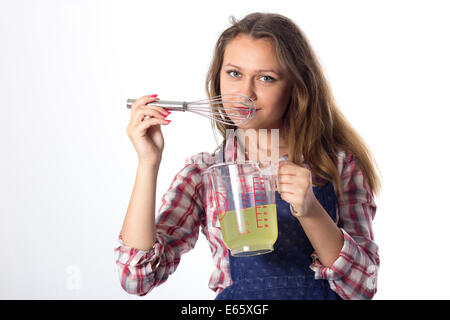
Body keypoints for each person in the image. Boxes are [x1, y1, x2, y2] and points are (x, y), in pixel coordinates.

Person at [115, 12, 381, 300]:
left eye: (266, 78)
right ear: (217, 78)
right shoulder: (204, 173)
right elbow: (137, 278)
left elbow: (362, 288)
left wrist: (311, 210)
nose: (245, 93)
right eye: (234, 73)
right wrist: (148, 163)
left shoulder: (337, 164)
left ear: (296, 87)